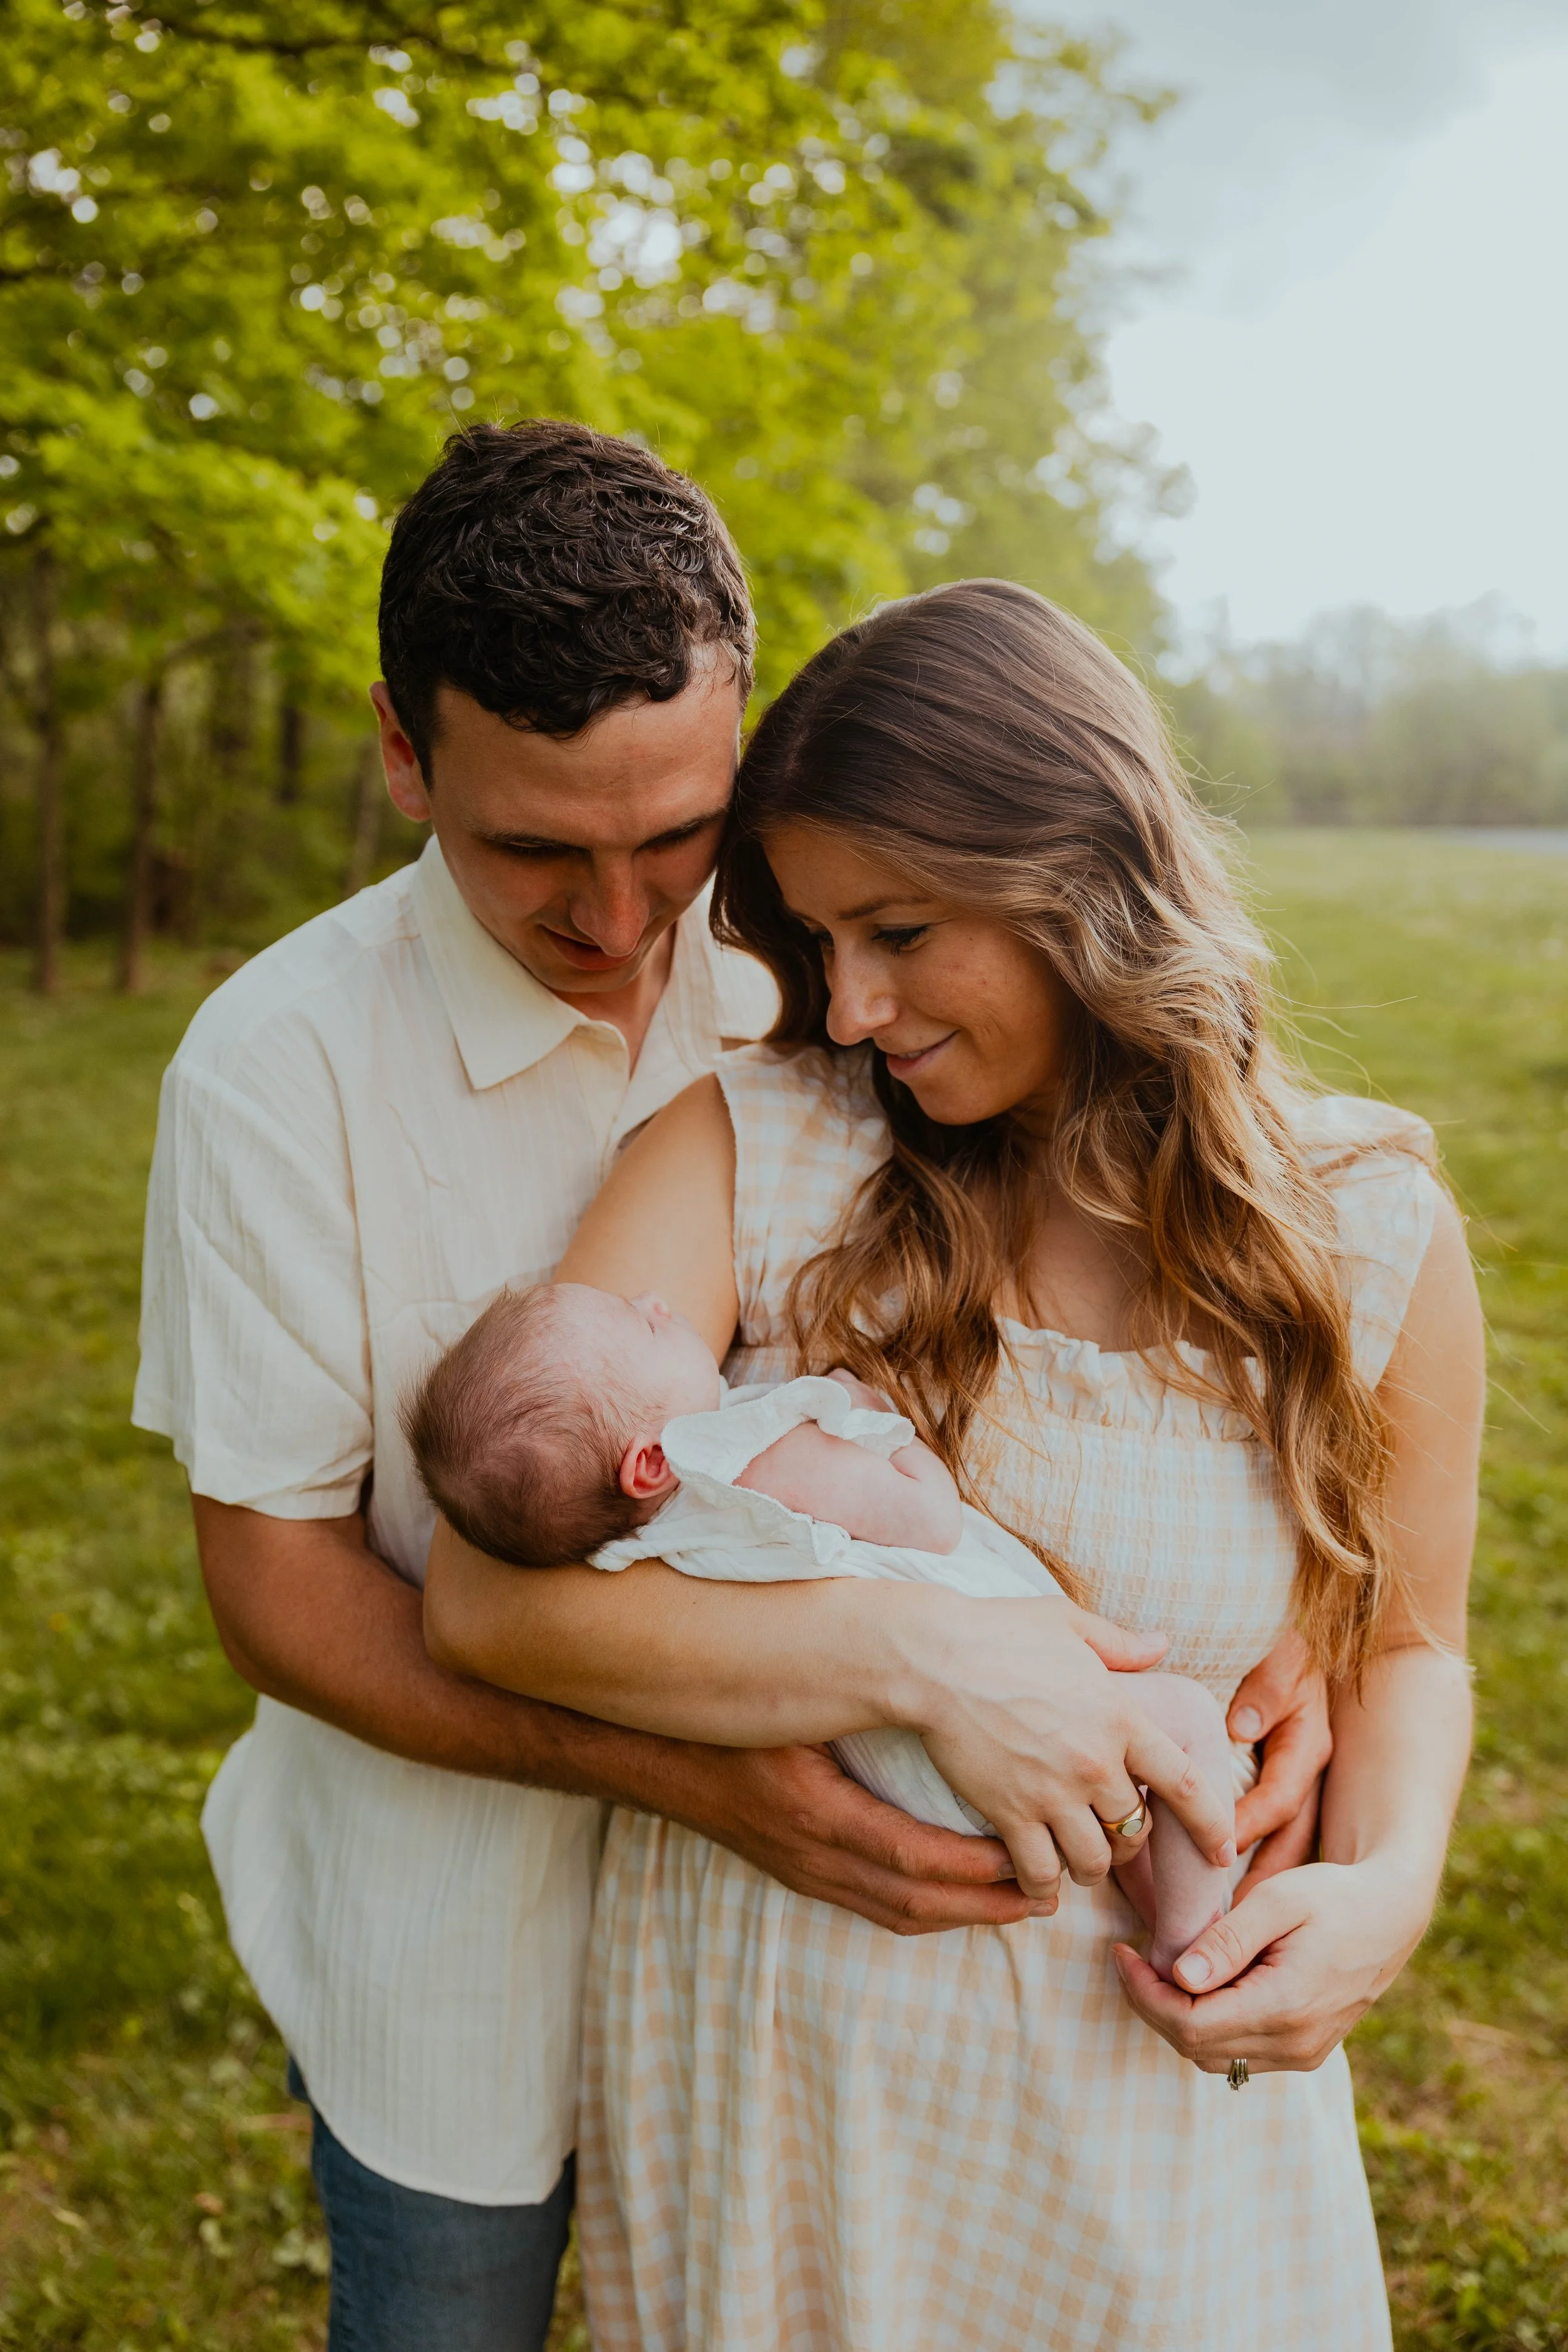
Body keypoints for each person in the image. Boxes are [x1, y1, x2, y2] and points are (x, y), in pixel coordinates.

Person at [134, 426, 1323, 2347]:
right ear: (401, 752)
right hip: (467, 1936)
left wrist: (1299, 1617)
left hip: (816, 1987)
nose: (619, 920)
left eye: (671, 837)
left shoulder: (820, 981)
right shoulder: (275, 1072)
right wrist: (716, 1780)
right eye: (534, 847)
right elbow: (275, 1583)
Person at [424, 579, 1483, 2350]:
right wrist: (923, 1648)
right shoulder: (760, 1147)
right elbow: (483, 1592)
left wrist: (1388, 1887)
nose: (845, 1008)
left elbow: (1405, 1644)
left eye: (897, 931)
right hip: (791, 2091)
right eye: (818, 938)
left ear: (1079, 872)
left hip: (1151, 2102)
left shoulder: (1365, 1228)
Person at [403, 1278, 1238, 1978]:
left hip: (893, 1767)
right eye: (640, 1322)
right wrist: (887, 1426)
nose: (658, 1300)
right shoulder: (756, 1456)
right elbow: (927, 1519)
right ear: (650, 1461)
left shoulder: (635, 1545)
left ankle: (1159, 1895)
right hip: (985, 1731)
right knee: (1185, 1724)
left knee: (1131, 1790)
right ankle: (1192, 1949)